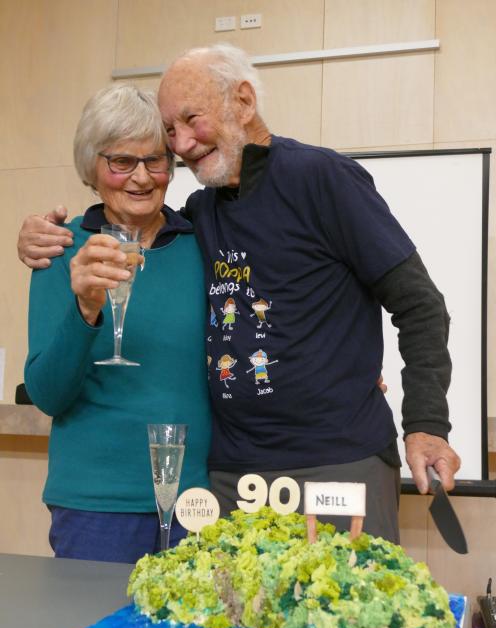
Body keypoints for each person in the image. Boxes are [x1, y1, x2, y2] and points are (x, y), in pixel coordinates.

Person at [18, 45, 460, 544]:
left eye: (190, 122)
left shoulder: (320, 179)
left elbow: (420, 304)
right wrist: (37, 236)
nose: (182, 144)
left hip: (336, 462)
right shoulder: (200, 216)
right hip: (230, 481)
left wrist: (425, 422)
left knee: (341, 616)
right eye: (170, 132)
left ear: (244, 102)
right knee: (233, 620)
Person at [23, 83, 211, 562]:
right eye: (121, 162)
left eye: (155, 160)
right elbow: (47, 395)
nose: (142, 177)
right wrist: (85, 308)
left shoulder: (202, 245)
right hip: (94, 506)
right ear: (93, 167)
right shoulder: (62, 249)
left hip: (195, 504)